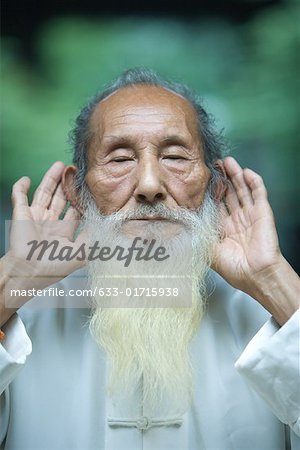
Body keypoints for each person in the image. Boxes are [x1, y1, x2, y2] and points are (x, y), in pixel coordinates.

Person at [0, 67, 299, 450]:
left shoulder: (267, 314)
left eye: (175, 157)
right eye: (120, 159)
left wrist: (272, 278)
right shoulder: (27, 314)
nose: (149, 186)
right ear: (78, 192)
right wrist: (11, 281)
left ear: (216, 187)